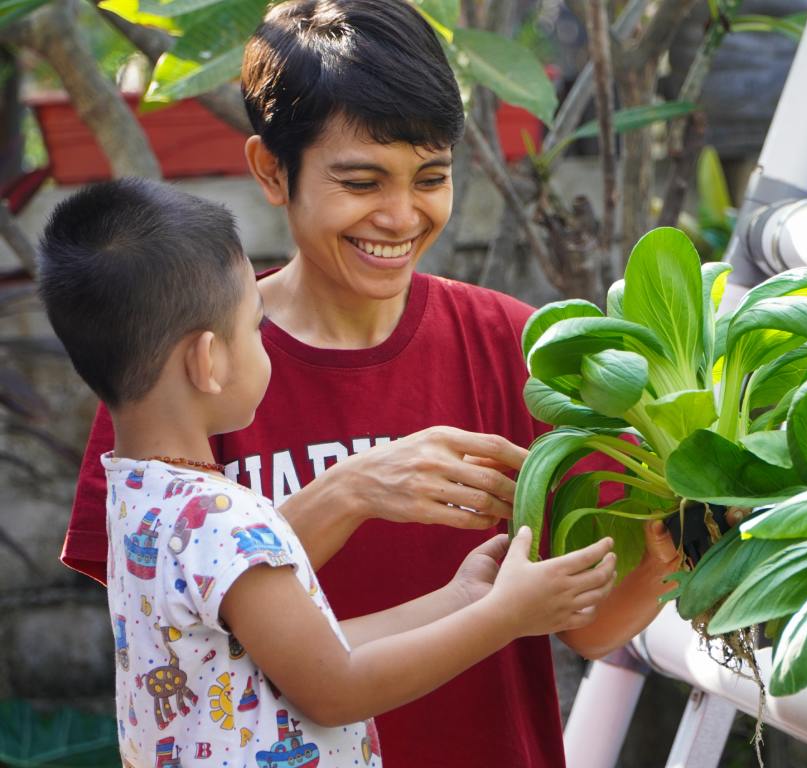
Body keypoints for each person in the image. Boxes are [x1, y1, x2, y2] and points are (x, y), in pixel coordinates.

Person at [59, 2, 681, 766]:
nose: (399, 215)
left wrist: (661, 555)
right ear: (270, 170)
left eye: (431, 178)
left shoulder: (515, 346)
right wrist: (350, 491)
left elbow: (584, 625)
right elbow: (179, 646)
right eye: (360, 181)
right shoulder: (177, 373)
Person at [38, 178, 619, 767]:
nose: (268, 344)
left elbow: (298, 653)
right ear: (207, 361)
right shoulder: (222, 518)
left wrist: (461, 598)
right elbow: (334, 685)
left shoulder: (139, 501)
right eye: (256, 326)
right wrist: (504, 617)